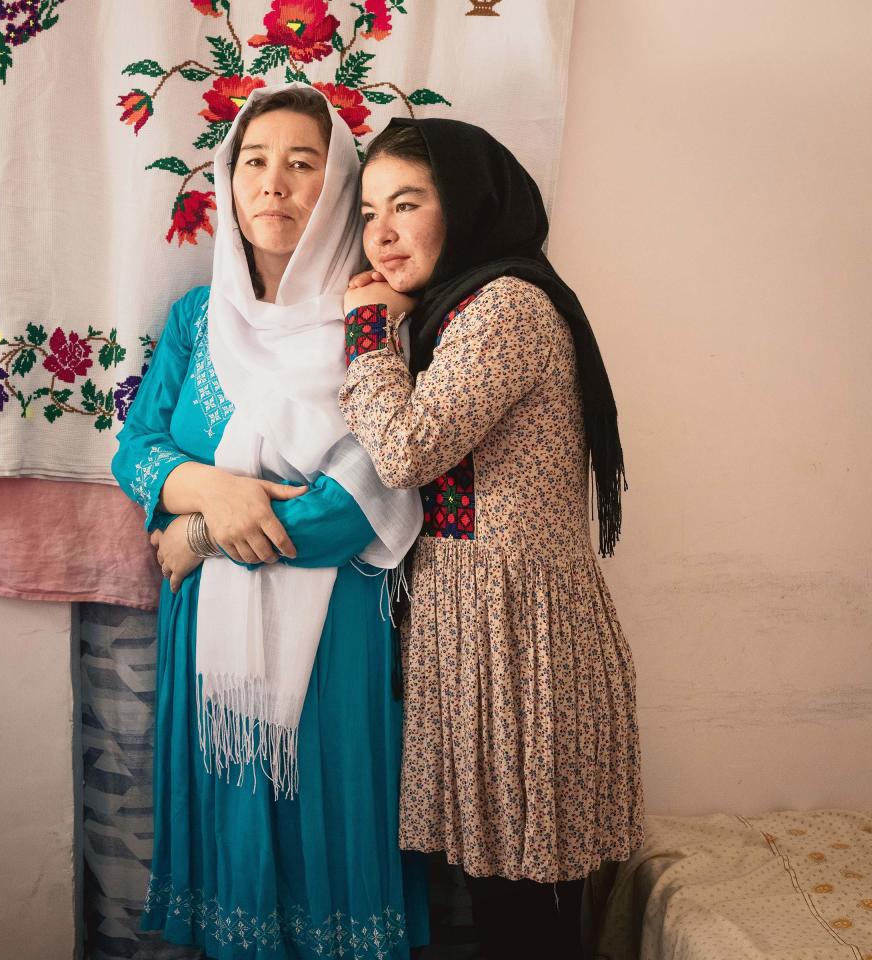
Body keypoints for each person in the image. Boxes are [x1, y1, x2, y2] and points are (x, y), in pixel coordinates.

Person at [111, 85, 428, 960]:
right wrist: (211, 491)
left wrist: (199, 533)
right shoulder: (195, 321)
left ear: (338, 188)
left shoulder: (375, 326)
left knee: (324, 818)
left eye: (302, 163)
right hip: (206, 635)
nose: (274, 184)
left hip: (334, 638)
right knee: (230, 827)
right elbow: (134, 449)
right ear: (227, 179)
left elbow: (355, 500)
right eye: (254, 162)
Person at [339, 118, 644, 958]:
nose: (383, 234)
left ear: (467, 204)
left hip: (516, 638)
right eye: (368, 213)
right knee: (502, 899)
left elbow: (404, 450)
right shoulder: (461, 309)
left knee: (520, 906)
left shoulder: (504, 305)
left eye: (407, 203)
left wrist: (366, 328)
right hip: (483, 628)